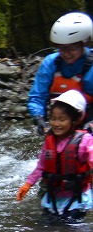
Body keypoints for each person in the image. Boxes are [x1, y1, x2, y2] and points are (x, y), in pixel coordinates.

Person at [17, 89, 93, 221]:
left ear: (74, 120)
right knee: (47, 226)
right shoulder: (50, 140)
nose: (56, 124)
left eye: (62, 119)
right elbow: (41, 166)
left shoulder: (85, 140)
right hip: (54, 196)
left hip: (77, 197)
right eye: (53, 119)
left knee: (73, 228)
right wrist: (28, 184)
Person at [27, 12, 93, 133]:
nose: (66, 53)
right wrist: (38, 118)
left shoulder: (91, 66)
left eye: (72, 48)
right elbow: (37, 96)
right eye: (62, 48)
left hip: (88, 124)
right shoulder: (50, 63)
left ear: (84, 44)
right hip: (61, 123)